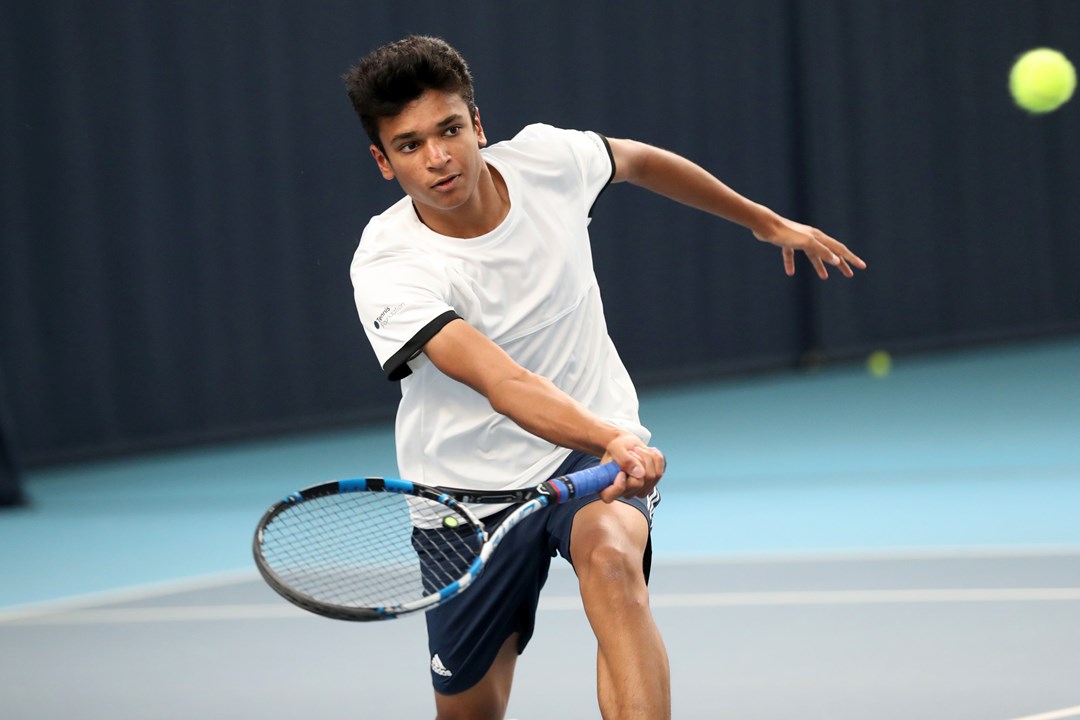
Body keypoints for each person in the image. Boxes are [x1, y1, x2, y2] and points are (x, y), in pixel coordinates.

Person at [343, 35, 864, 720]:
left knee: (613, 563)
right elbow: (504, 383)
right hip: (464, 493)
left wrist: (764, 223)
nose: (439, 157)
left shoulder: (547, 161)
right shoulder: (390, 265)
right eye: (410, 145)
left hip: (583, 455)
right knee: (469, 712)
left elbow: (639, 161)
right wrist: (611, 439)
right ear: (383, 162)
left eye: (450, 129)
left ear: (479, 124)